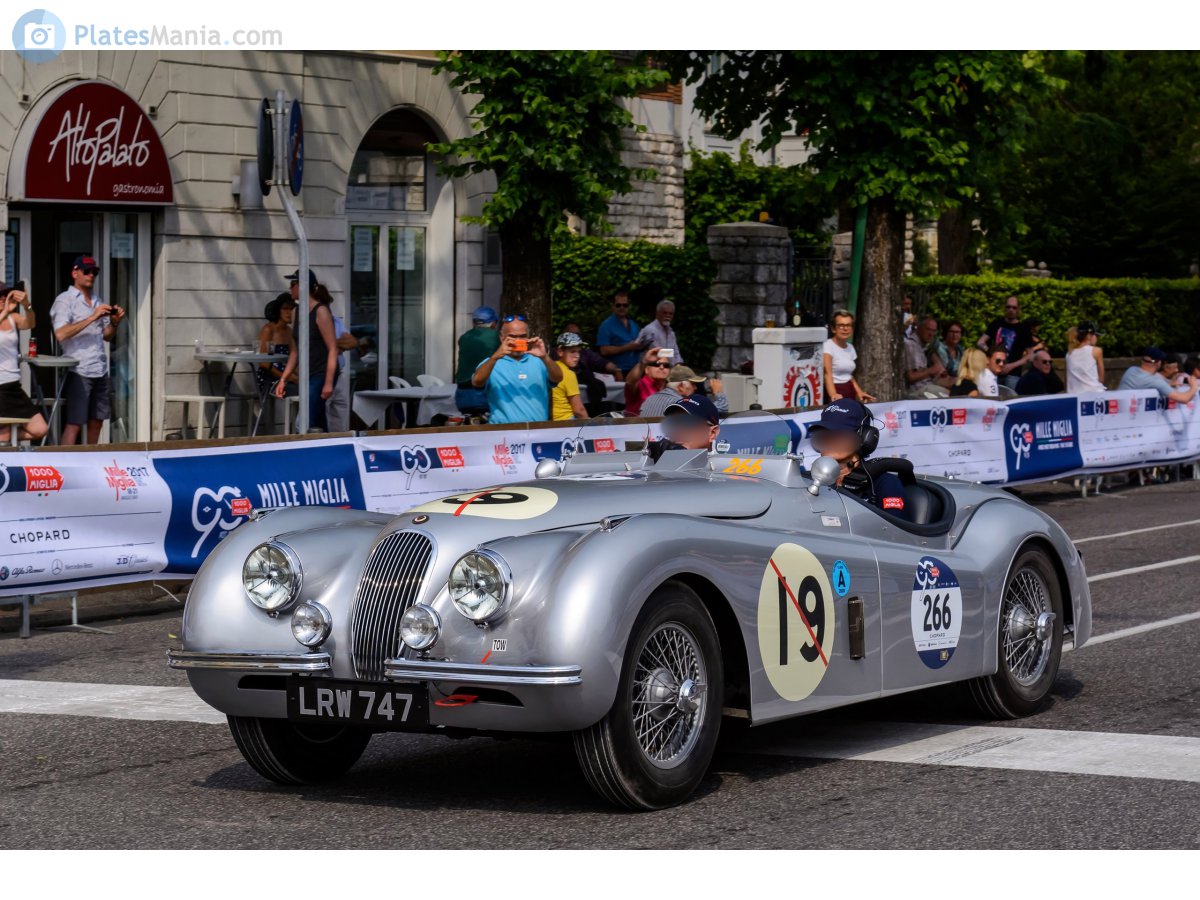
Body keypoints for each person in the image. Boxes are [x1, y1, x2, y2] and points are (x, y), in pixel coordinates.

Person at [51, 254, 126, 445]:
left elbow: (106, 336)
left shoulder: (96, 300)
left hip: (99, 368)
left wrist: (114, 323)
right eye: (87, 271)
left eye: (94, 272)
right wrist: (93, 317)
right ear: (75, 273)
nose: (91, 275)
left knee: (97, 422)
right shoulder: (65, 300)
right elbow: (61, 334)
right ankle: (64, 460)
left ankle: (92, 458)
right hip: (79, 369)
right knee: (75, 423)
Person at [806, 399, 909, 521]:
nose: (829, 441)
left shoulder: (885, 483)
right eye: (824, 435)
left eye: (839, 435)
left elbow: (894, 530)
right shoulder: (808, 481)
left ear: (865, 438)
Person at [274, 279, 339, 432]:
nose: (290, 288)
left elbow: (333, 348)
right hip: (307, 373)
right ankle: (325, 443)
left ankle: (300, 441)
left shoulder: (320, 311)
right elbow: (295, 351)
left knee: (305, 419)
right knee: (318, 417)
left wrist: (328, 382)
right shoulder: (296, 312)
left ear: (303, 286)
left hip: (321, 371)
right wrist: (283, 379)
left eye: (293, 285)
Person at [471, 314, 562, 424]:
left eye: (522, 336)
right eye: (513, 337)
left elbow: (558, 378)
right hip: (503, 431)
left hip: (537, 430)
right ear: (501, 338)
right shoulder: (491, 362)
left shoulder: (539, 360)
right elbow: (476, 382)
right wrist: (495, 357)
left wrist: (545, 357)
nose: (518, 340)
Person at [0, 282, 49, 442]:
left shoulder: (12, 318)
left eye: (5, 295)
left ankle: (9, 436)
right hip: (0, 387)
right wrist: (5, 311)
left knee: (40, 429)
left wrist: (27, 305)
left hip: (13, 386)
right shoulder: (5, 314)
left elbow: (30, 323)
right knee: (4, 435)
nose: (3, 298)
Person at [976, 295, 1036, 389]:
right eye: (1008, 307)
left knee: (1011, 396)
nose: (1011, 310)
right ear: (1004, 308)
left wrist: (1011, 366)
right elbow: (980, 342)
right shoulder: (996, 323)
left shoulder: (1024, 329)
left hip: (1013, 374)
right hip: (993, 372)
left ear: (1018, 309)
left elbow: (1030, 354)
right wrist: (992, 355)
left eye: (1014, 307)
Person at [454, 306, 501, 416]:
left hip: (462, 394)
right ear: (494, 323)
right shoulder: (497, 337)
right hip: (486, 393)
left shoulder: (464, 337)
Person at [822, 308, 875, 403]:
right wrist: (833, 395)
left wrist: (859, 392)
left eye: (848, 325)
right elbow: (827, 373)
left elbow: (849, 376)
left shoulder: (850, 347)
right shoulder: (828, 345)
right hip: (834, 392)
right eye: (841, 325)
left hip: (849, 391)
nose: (845, 329)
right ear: (833, 329)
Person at [649, 394, 722, 460]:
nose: (677, 430)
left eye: (688, 422)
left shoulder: (724, 466)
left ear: (712, 433)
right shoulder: (657, 461)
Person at [1118, 347, 1200, 405]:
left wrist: (1168, 385)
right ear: (1158, 363)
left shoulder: (1131, 370)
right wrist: (1194, 386)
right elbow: (1184, 399)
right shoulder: (1155, 381)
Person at [257, 293, 298, 397]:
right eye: (285, 309)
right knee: (300, 391)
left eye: (291, 309)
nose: (289, 312)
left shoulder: (289, 331)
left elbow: (293, 357)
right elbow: (263, 363)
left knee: (310, 388)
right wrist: (286, 377)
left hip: (286, 376)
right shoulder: (268, 330)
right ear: (278, 310)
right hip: (269, 379)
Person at [904, 316, 952, 398]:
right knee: (951, 397)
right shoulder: (911, 345)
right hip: (918, 390)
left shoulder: (921, 346)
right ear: (919, 328)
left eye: (933, 331)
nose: (931, 334)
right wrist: (931, 370)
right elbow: (911, 377)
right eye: (928, 329)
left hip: (927, 386)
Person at [639, 364, 708, 418]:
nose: (695, 388)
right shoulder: (682, 404)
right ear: (681, 386)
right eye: (693, 384)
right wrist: (714, 393)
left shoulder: (649, 399)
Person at [596, 291, 641, 374]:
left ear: (628, 307)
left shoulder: (633, 324)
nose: (622, 307)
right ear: (613, 306)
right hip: (618, 371)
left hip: (635, 370)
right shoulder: (606, 326)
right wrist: (626, 347)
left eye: (625, 305)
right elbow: (604, 350)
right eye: (618, 305)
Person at [550, 332, 588, 421]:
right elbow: (579, 410)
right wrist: (589, 425)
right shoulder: (569, 374)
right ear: (560, 352)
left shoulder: (552, 367)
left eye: (578, 351)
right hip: (566, 420)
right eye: (572, 351)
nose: (577, 356)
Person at [624, 346, 671, 417]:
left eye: (666, 365)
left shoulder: (671, 389)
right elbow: (630, 380)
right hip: (638, 423)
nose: (662, 367)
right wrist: (644, 361)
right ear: (646, 369)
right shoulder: (640, 384)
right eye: (656, 364)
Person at [1065, 321, 1106, 393]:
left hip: (1073, 395)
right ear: (1089, 335)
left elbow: (1066, 380)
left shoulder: (1068, 354)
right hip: (1094, 394)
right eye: (1096, 335)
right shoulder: (1096, 351)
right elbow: (1101, 379)